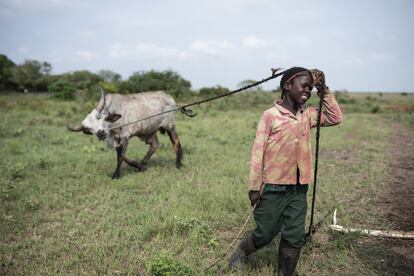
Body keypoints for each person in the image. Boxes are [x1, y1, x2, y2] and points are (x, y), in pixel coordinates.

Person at [228, 67, 343, 275]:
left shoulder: (308, 115)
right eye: (304, 86)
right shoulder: (270, 116)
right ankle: (243, 250)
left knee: (294, 235)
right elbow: (257, 153)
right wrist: (254, 187)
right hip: (273, 187)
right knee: (265, 234)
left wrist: (323, 89)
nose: (307, 91)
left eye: (310, 87)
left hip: (299, 189)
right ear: (287, 86)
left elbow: (335, 117)